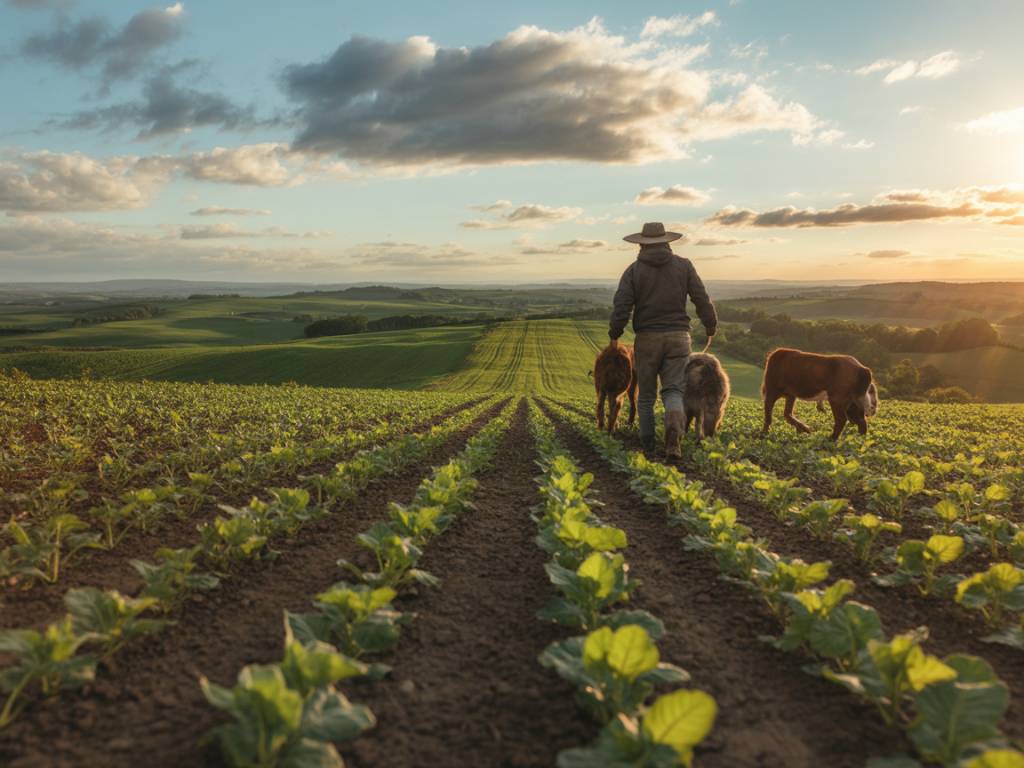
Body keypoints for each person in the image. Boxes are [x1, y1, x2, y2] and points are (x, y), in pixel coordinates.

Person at [609, 222, 717, 459]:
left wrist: (615, 334)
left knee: (646, 395)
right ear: (667, 241)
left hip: (647, 338)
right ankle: (673, 439)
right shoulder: (684, 266)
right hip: (679, 337)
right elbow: (701, 297)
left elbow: (622, 306)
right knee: (674, 391)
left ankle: (647, 446)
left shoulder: (633, 270)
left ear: (641, 244)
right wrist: (710, 324)